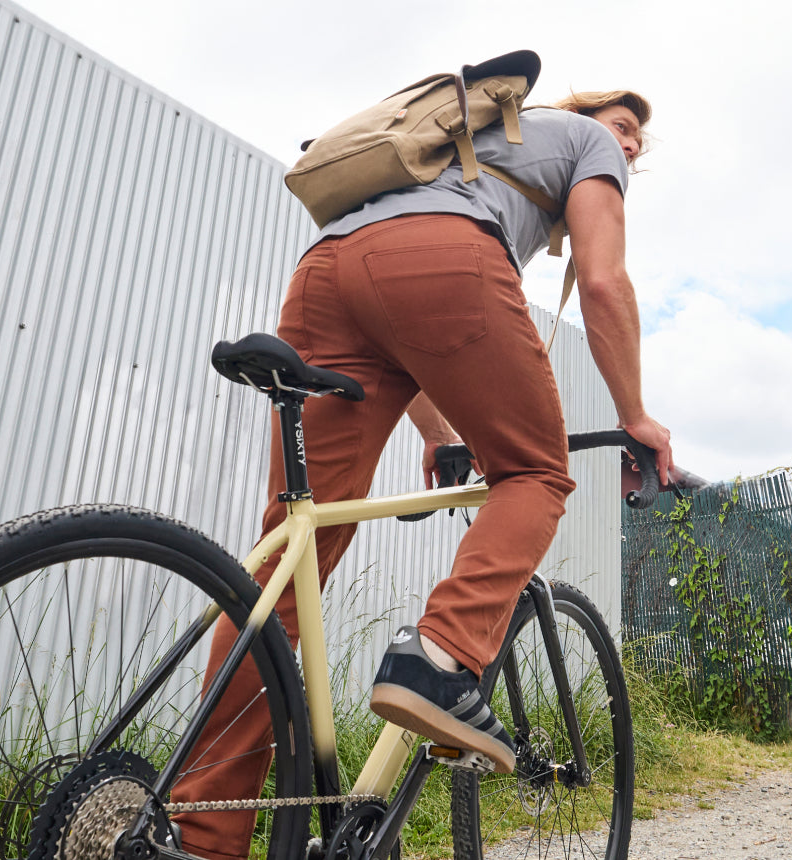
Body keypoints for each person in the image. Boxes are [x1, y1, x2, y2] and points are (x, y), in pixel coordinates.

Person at [170, 89, 676, 860]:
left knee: (291, 549)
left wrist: (442, 437)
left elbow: (403, 331)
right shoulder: (584, 144)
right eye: (626, 127)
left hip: (326, 270)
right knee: (536, 472)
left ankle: (201, 832)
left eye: (639, 138)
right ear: (592, 114)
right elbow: (604, 283)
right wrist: (637, 415)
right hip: (441, 261)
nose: (631, 145)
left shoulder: (474, 144)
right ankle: (437, 658)